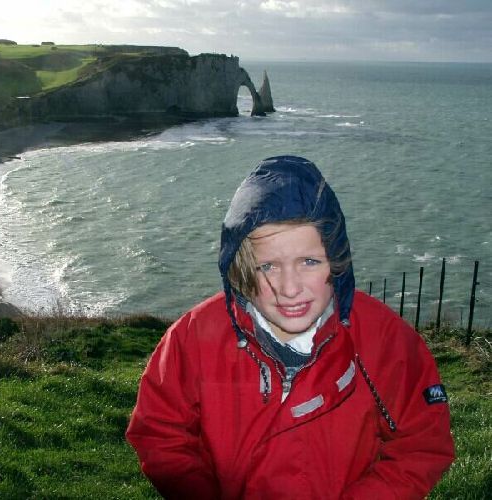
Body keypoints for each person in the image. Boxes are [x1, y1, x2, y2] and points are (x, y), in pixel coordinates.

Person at [126, 155, 454, 499]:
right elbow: (160, 433)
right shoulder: (192, 337)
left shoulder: (385, 338)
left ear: (336, 260)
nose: (290, 288)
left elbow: (422, 444)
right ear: (240, 267)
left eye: (309, 261)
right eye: (268, 266)